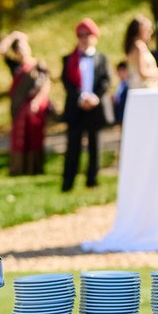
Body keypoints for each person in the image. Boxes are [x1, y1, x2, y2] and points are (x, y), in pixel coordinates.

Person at [61, 17, 112, 191]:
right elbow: (67, 82)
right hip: (77, 107)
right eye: (80, 35)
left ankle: (92, 180)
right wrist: (81, 97)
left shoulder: (101, 58)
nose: (84, 38)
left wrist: (95, 97)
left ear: (94, 37)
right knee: (73, 147)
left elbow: (106, 80)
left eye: (87, 34)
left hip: (95, 107)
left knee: (95, 146)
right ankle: (68, 182)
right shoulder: (69, 59)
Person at [0, 30, 50, 176]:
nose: (22, 51)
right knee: (19, 139)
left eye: (24, 47)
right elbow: (1, 50)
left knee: (34, 138)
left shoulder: (38, 66)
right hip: (18, 109)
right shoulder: (16, 67)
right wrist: (14, 36)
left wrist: (36, 101)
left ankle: (35, 169)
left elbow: (46, 85)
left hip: (34, 109)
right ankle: (18, 169)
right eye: (19, 49)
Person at [123, 16, 158, 89]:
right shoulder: (139, 47)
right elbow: (142, 73)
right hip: (143, 89)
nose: (151, 31)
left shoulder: (133, 46)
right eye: (147, 29)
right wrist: (157, 72)